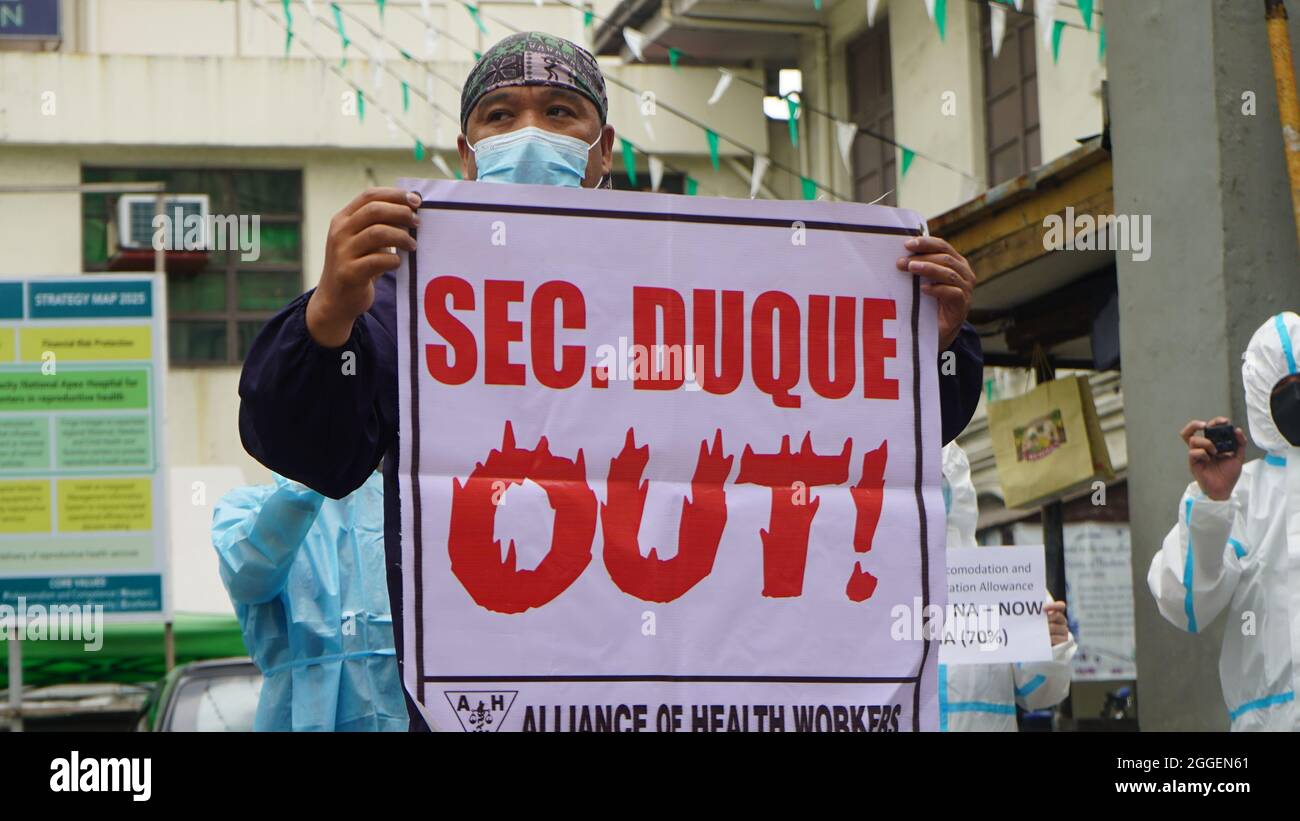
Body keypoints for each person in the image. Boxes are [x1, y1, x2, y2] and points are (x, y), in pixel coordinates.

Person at [237, 31, 985, 729]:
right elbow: (309, 448)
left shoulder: (709, 277)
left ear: (603, 151)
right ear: (468, 154)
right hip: (498, 694)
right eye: (501, 114)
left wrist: (932, 345)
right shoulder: (409, 293)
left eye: (560, 112)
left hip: (687, 686)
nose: (530, 130)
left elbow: (844, 435)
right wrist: (328, 314)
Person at [1148, 311, 1300, 731]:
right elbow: (1186, 604)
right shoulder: (1242, 497)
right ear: (1258, 398)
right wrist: (1213, 501)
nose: (1295, 400)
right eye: (1283, 389)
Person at [212, 471, 407, 732]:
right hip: (299, 716)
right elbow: (249, 576)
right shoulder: (249, 507)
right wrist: (306, 484)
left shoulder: (403, 501)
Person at [937, 442, 1075, 731]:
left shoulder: (1002, 581)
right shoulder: (877, 582)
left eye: (936, 483)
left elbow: (1038, 693)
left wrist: (1050, 646)